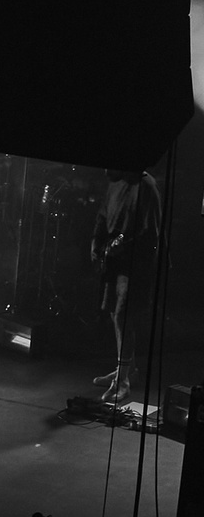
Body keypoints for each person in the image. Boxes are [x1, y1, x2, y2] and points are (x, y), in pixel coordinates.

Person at [91, 167, 163, 404]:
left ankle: (122, 381)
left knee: (123, 315)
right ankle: (126, 370)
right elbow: (103, 213)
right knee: (116, 313)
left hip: (136, 263)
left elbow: (150, 234)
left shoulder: (146, 186)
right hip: (117, 261)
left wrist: (124, 243)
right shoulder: (116, 183)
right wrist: (97, 240)